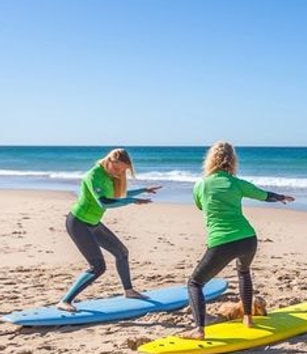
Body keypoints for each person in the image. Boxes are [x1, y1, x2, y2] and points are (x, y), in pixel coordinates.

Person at [181, 141, 294, 339]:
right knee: (243, 272)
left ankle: (199, 329)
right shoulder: (237, 183)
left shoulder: (201, 184)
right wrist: (281, 196)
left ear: (209, 160)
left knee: (195, 283)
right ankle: (248, 318)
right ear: (232, 161)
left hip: (222, 241)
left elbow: (200, 206)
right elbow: (264, 195)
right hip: (248, 239)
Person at [57, 148, 161, 312]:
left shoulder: (108, 176)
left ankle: (129, 291)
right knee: (97, 266)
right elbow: (104, 202)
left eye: (123, 171)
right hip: (78, 223)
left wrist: (143, 190)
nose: (119, 173)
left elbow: (117, 195)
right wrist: (131, 200)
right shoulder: (94, 175)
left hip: (93, 223)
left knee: (122, 252)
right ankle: (65, 301)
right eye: (118, 168)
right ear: (111, 160)